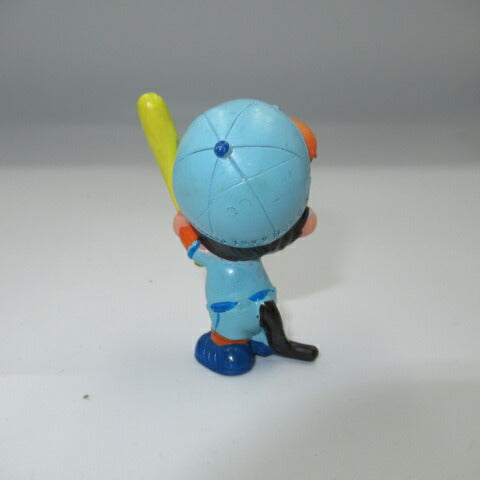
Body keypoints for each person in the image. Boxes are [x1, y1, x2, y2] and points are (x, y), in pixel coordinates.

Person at [172, 99, 319, 375]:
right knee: (239, 325)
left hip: (243, 303)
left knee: (239, 324)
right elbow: (307, 224)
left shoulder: (211, 253)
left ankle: (247, 341)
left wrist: (184, 222)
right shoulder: (217, 253)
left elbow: (182, 229)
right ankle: (242, 341)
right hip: (250, 301)